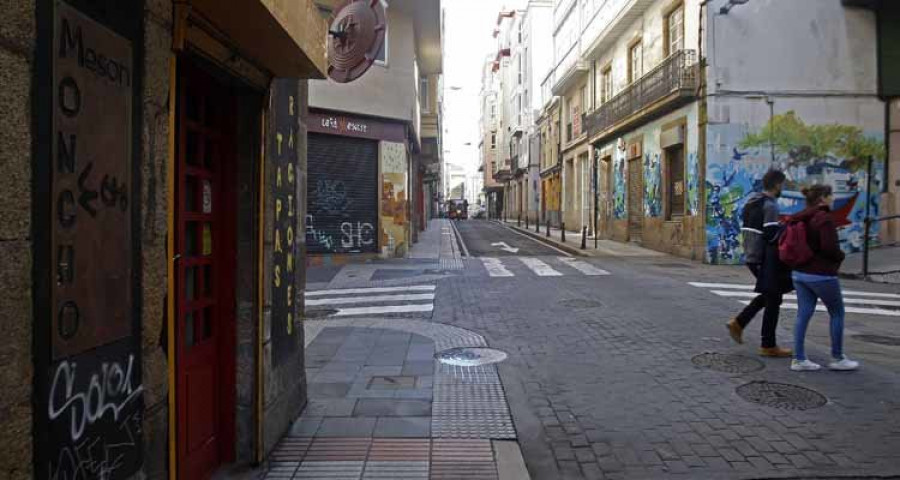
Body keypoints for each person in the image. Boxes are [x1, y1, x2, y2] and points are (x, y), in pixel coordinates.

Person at [789, 184, 859, 372]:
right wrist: (840, 256)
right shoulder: (824, 219)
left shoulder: (801, 216)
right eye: (831, 195)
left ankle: (799, 358)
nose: (834, 198)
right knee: (837, 313)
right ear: (823, 198)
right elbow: (829, 248)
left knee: (803, 314)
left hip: (799, 272)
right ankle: (837, 357)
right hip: (821, 274)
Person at [726, 169, 793, 357]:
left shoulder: (752, 201)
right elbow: (771, 236)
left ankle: (740, 323)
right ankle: (767, 344)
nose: (783, 188)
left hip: (751, 256)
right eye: (783, 184)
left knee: (771, 295)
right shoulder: (770, 205)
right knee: (773, 297)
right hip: (764, 259)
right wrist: (785, 227)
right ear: (777, 184)